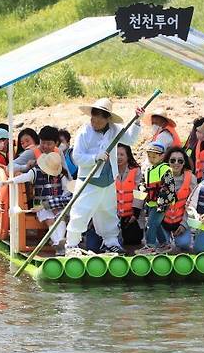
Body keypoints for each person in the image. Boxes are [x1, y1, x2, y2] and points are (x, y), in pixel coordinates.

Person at [65, 98, 145, 256]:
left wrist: (136, 121)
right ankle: (72, 244)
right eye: (94, 114)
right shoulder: (84, 132)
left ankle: (110, 242)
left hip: (108, 179)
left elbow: (130, 139)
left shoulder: (115, 129)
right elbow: (77, 157)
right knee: (81, 212)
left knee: (108, 211)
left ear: (107, 118)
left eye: (101, 115)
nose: (96, 119)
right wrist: (95, 157)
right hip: (89, 180)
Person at [2, 152, 71, 255]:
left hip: (57, 204)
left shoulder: (61, 176)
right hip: (41, 206)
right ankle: (58, 243)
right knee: (50, 220)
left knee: (60, 217)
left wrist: (55, 204)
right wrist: (10, 181)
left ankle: (60, 241)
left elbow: (67, 193)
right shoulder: (35, 172)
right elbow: (24, 177)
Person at [136, 142, 177, 254]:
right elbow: (143, 182)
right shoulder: (148, 169)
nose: (151, 158)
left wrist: (161, 203)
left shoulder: (165, 169)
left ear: (162, 156)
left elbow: (169, 187)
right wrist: (142, 188)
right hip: (150, 202)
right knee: (156, 224)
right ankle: (165, 244)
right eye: (149, 156)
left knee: (151, 224)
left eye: (154, 156)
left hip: (161, 203)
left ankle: (150, 245)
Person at [162, 146, 197, 252]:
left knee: (184, 245)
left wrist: (184, 224)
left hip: (180, 220)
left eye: (180, 161)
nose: (176, 163)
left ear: (184, 163)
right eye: (172, 160)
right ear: (167, 162)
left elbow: (193, 205)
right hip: (162, 221)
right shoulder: (159, 176)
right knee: (161, 246)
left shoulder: (191, 178)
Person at [115, 143, 144, 246]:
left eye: (122, 154)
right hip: (113, 216)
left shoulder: (136, 171)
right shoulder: (108, 170)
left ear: (128, 156)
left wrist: (135, 214)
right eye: (116, 154)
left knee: (133, 241)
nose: (119, 157)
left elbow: (140, 192)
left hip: (132, 216)